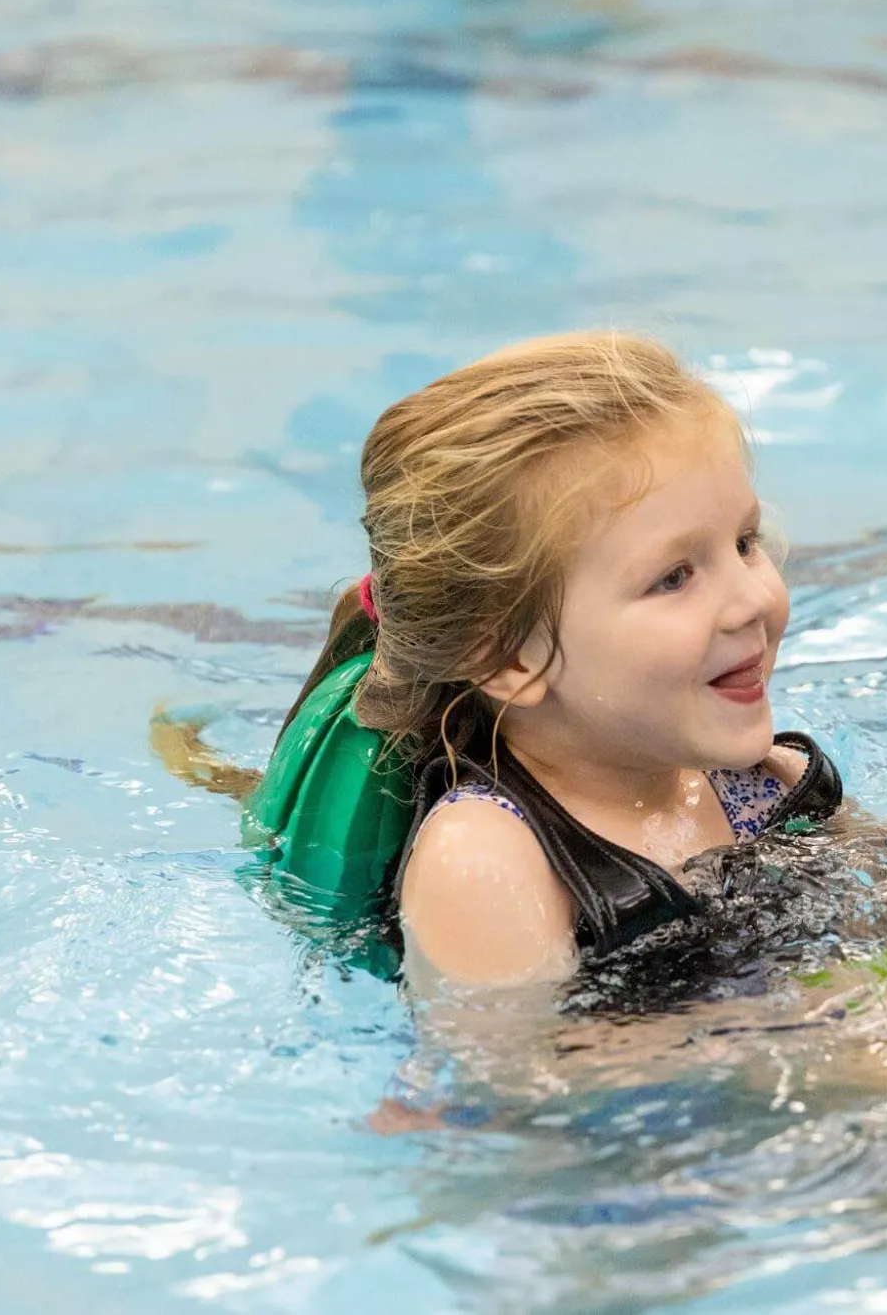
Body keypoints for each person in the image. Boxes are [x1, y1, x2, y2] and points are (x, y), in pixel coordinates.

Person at [244, 333, 842, 987]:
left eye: (745, 542)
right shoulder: (487, 861)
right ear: (506, 658)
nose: (752, 599)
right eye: (673, 577)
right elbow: (519, 1082)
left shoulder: (757, 780)